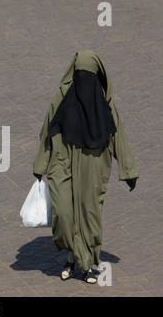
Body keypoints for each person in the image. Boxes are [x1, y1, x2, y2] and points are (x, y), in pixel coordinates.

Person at [33, 51, 138, 284]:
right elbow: (46, 133)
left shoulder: (104, 103)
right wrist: (40, 165)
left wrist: (128, 170)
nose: (83, 81)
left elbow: (118, 136)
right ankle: (75, 255)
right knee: (63, 214)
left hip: (94, 165)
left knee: (89, 215)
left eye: (88, 75)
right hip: (63, 162)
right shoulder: (61, 97)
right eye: (80, 75)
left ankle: (82, 263)